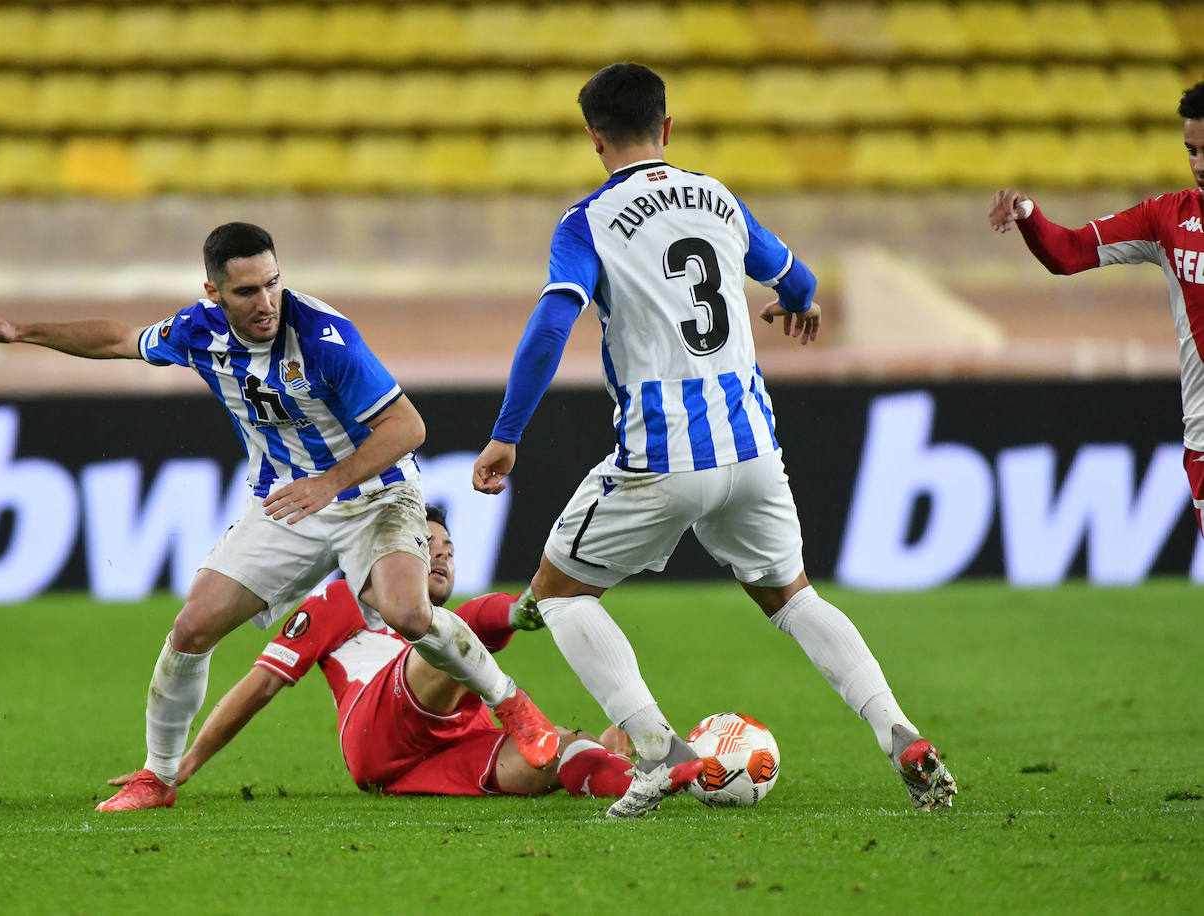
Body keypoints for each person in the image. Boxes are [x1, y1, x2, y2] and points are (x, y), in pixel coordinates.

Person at [471, 63, 957, 818]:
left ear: (596, 139)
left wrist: (506, 436)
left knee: (560, 597)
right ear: (666, 128)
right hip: (754, 446)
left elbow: (551, 326)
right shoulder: (717, 198)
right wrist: (801, 304)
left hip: (663, 452)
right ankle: (900, 732)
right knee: (794, 599)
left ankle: (660, 753)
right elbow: (794, 277)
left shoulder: (588, 221)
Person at [0, 221, 559, 812]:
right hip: (286, 501)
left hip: (374, 492)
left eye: (273, 283)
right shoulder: (196, 330)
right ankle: (158, 777)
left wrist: (332, 482)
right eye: (247, 290)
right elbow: (116, 340)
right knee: (191, 629)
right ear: (213, 292)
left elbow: (408, 426)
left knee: (407, 612)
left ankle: (515, 708)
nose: (266, 301)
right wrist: (22, 331)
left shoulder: (324, 338)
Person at [108, 506, 634, 800]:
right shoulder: (340, 600)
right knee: (455, 628)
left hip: (443, 748)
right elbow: (259, 685)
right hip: (378, 729)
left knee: (563, 753)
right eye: (428, 545)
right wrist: (182, 765)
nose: (443, 555)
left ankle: (640, 780)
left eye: (449, 549)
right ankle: (526, 608)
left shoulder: (448, 636)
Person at [989, 78, 1204, 537]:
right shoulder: (1168, 218)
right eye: (1191, 151)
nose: (1199, 165)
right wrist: (1028, 212)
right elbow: (1068, 252)